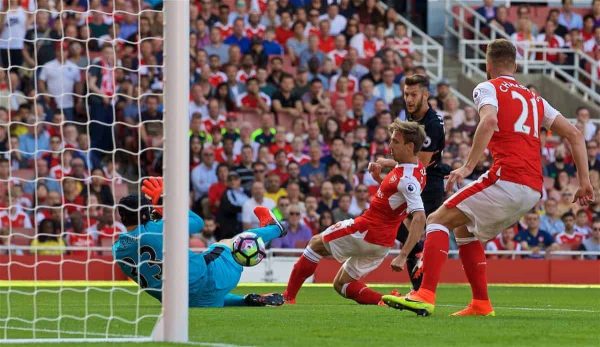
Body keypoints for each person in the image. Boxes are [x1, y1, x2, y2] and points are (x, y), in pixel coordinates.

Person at [383, 39, 593, 316]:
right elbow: (575, 135)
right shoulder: (534, 98)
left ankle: (424, 294)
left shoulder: (487, 87)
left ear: (488, 65)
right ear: (515, 65)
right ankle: (481, 303)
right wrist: (585, 182)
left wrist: (468, 166)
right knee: (463, 230)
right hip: (532, 188)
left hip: (507, 178)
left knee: (436, 220)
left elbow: (490, 120)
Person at [283, 120, 427, 305]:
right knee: (341, 284)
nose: (390, 145)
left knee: (315, 244)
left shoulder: (408, 181)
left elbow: (420, 217)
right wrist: (379, 177)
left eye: (395, 142)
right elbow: (395, 195)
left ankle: (288, 297)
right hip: (383, 243)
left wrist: (403, 254)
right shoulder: (419, 169)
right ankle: (386, 301)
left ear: (410, 146)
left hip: (366, 230)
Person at [113, 177, 286, 307]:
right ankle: (275, 228)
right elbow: (198, 222)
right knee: (228, 242)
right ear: (145, 213)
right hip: (215, 277)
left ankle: (244, 300)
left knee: (195, 291)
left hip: (180, 304)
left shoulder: (118, 250)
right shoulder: (160, 227)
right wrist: (168, 204)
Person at [384, 74, 446, 291]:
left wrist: (387, 163)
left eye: (414, 94)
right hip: (412, 179)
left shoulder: (432, 123)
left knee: (407, 231)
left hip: (428, 182)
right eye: (406, 94)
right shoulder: (410, 117)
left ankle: (421, 288)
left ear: (425, 95)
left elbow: (421, 163)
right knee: (403, 233)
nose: (409, 99)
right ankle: (419, 289)